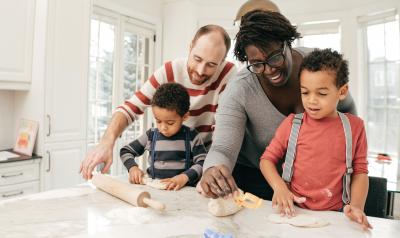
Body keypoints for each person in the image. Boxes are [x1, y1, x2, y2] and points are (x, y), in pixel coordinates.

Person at [200, 10, 357, 200]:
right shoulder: (239, 89)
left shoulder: (319, 66)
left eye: (275, 57)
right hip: (256, 179)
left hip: (314, 179)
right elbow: (223, 148)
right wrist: (212, 170)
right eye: (257, 64)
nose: (269, 70)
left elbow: (347, 108)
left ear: (287, 43)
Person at [80, 25, 237, 180]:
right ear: (190, 47)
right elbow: (131, 107)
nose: (201, 71)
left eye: (211, 65)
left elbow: (224, 130)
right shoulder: (170, 71)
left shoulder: (228, 74)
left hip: (206, 163)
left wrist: (210, 169)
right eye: (197, 59)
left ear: (222, 61)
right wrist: (106, 142)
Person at [259, 49, 371, 229]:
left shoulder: (355, 127)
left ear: (342, 91)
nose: (311, 101)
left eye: (322, 94)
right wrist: (279, 188)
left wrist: (357, 207)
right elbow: (266, 160)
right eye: (305, 92)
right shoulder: (292, 124)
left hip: (335, 216)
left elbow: (360, 172)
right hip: (293, 213)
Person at [120, 83, 207, 190]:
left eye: (170, 123)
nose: (163, 128)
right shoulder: (150, 136)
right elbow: (126, 151)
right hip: (154, 190)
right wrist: (133, 168)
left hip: (182, 191)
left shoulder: (192, 136)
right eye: (158, 121)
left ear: (185, 116)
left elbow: (203, 163)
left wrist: (184, 177)